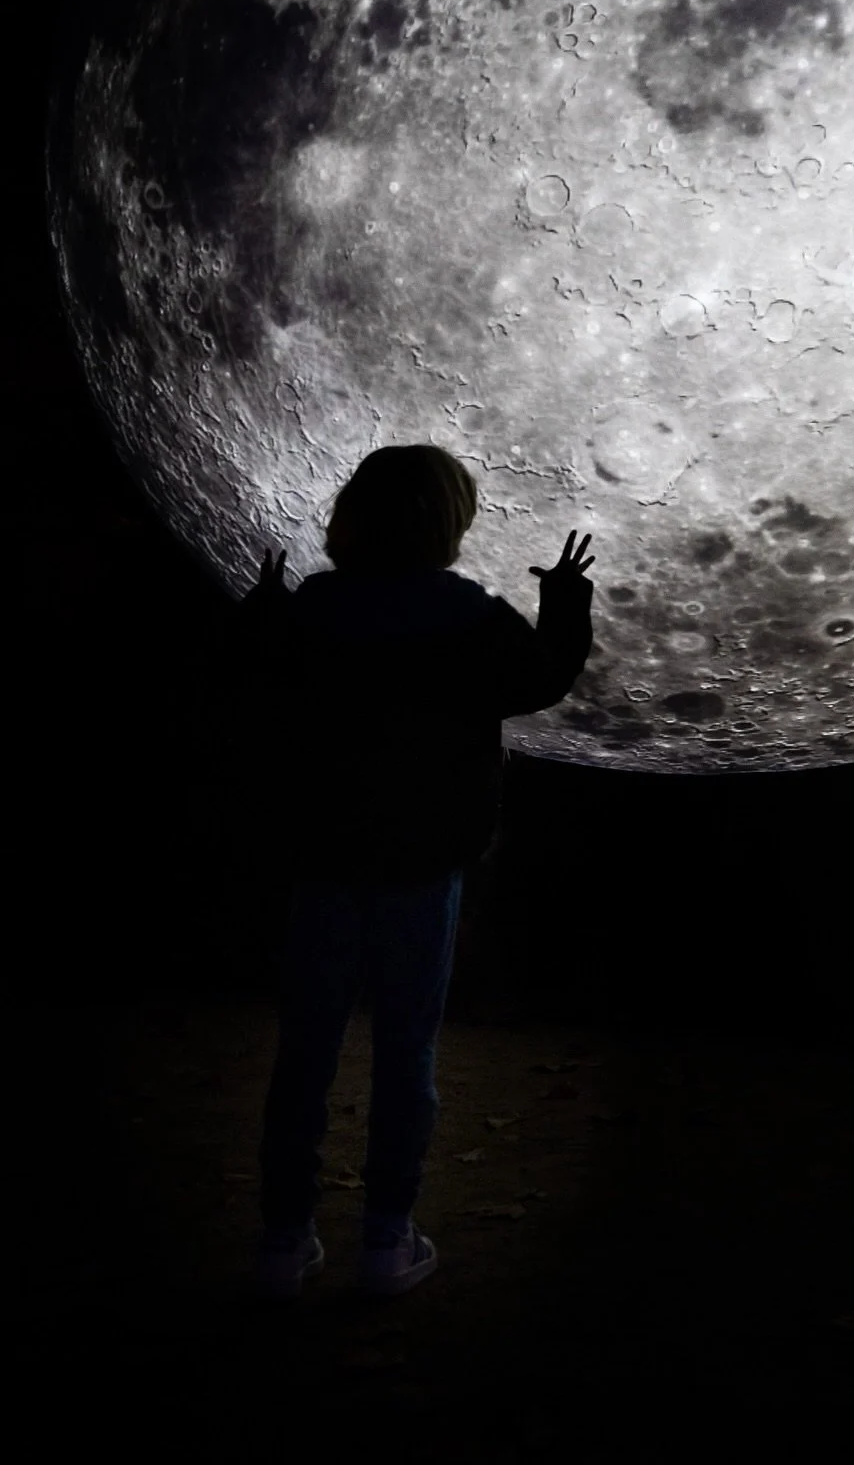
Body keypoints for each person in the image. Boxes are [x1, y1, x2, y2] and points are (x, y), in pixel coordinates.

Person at [226, 444, 595, 1300]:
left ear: (352, 515)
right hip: (423, 872)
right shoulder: (469, 618)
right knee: (406, 1056)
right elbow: (540, 680)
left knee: (304, 1055)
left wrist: (263, 611)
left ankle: (283, 1245)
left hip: (323, 864)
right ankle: (387, 1243)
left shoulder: (317, 609)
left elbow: (261, 680)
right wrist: (565, 597)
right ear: (449, 523)